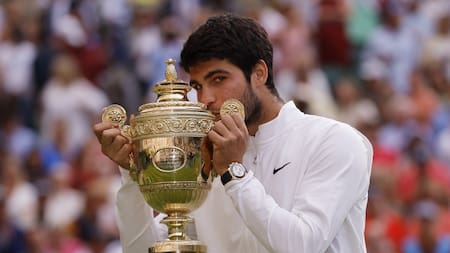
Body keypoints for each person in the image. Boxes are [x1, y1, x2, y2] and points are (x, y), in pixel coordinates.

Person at [93, 13, 373, 253]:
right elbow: (145, 250)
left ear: (259, 73)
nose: (206, 99)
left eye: (219, 79)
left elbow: (301, 245)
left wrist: (232, 172)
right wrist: (132, 176)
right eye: (198, 86)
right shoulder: (204, 162)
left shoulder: (335, 141)